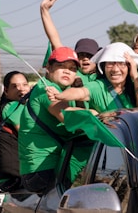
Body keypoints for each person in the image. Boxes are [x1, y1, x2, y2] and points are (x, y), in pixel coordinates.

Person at [18, 47, 94, 194]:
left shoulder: (62, 91)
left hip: (51, 167)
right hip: (42, 171)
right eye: (61, 66)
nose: (67, 71)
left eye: (72, 69)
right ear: (48, 68)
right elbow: (68, 117)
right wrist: (94, 113)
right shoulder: (46, 89)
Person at [46, 42, 138, 113]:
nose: (115, 69)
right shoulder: (98, 86)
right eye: (110, 64)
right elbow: (79, 93)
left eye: (121, 64)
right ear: (103, 67)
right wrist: (60, 95)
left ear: (129, 66)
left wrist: (135, 76)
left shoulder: (136, 84)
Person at [41, 0, 100, 84]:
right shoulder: (71, 73)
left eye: (90, 55)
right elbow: (55, 41)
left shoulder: (104, 76)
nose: (85, 59)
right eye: (81, 55)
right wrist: (44, 10)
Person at [0, 71, 31, 192]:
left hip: (9, 178)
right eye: (15, 86)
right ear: (7, 91)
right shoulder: (14, 107)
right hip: (14, 178)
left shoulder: (19, 107)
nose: (21, 89)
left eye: (24, 84)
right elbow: (28, 137)